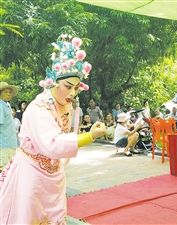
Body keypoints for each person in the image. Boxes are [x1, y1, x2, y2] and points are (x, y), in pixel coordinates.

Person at [0, 34, 106, 224]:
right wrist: (90, 136)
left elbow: (64, 140)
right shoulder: (38, 108)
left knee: (55, 215)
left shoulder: (66, 105)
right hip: (31, 172)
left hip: (53, 172)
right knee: (29, 215)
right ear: (55, 83)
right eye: (68, 86)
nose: (72, 93)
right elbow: (53, 143)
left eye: (76, 88)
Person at [0, 81, 19, 170]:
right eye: (5, 92)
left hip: (11, 143)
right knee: (4, 171)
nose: (8, 94)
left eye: (9, 92)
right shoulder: (0, 106)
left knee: (10, 170)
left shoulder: (7, 105)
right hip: (4, 145)